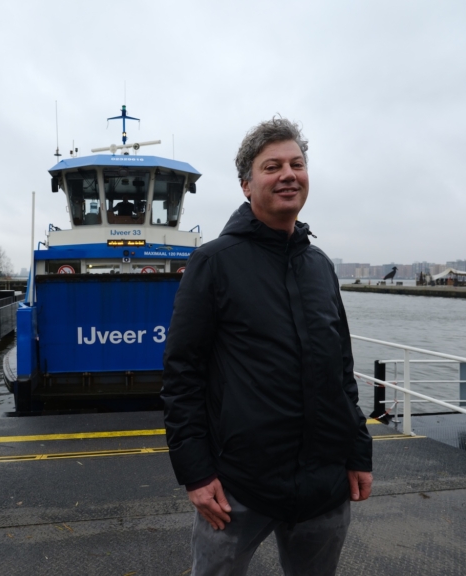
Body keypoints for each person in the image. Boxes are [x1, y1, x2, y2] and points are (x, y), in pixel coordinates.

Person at [161, 118, 373, 575]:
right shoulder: (213, 263)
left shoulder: (320, 267)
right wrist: (196, 474)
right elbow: (182, 374)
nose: (288, 174)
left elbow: (341, 370)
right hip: (238, 488)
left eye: (297, 164)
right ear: (246, 184)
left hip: (323, 487)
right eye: (272, 166)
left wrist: (358, 452)